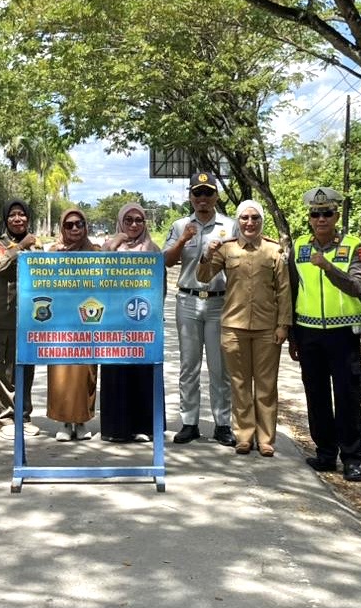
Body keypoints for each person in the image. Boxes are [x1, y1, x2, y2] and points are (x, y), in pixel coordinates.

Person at [288, 187, 361, 481]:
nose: (320, 218)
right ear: (309, 218)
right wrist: (292, 335)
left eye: (326, 213)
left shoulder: (354, 246)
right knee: (316, 395)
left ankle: (351, 458)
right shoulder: (299, 247)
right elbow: (293, 291)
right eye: (315, 213)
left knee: (348, 396)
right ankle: (325, 452)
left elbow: (358, 287)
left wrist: (328, 266)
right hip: (309, 333)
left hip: (343, 334)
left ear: (336, 216)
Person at [198, 200, 290, 456]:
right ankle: (244, 435)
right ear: (238, 222)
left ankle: (266, 438)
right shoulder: (227, 250)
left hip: (266, 328)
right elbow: (203, 277)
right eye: (245, 218)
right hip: (234, 327)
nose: (250, 223)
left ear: (261, 221)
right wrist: (207, 253)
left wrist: (284, 325)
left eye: (255, 218)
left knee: (266, 385)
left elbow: (284, 290)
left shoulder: (273, 251)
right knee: (238, 384)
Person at [163, 172, 237, 446]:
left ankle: (222, 424)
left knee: (220, 369)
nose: (203, 199)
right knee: (189, 366)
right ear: (190, 197)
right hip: (188, 301)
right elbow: (167, 261)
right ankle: (190, 422)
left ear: (217, 196)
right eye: (198, 193)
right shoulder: (180, 224)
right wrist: (183, 239)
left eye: (208, 193)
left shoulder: (230, 226)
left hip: (220, 301)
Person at [99, 202, 163, 443]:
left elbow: (161, 284)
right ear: (120, 222)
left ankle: (144, 426)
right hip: (114, 320)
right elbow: (97, 269)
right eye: (129, 220)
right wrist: (115, 241)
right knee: (116, 371)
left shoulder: (152, 249)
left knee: (143, 371)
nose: (134, 225)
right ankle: (117, 429)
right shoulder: (110, 246)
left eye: (139, 220)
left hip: (142, 320)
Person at [47, 208, 100, 441]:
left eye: (79, 224)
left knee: (85, 372)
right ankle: (64, 422)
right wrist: (55, 260)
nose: (75, 229)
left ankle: (81, 421)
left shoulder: (96, 252)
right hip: (60, 321)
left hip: (89, 320)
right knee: (61, 372)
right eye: (69, 225)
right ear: (62, 228)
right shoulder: (52, 253)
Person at [0, 200, 40, 440]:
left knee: (26, 368)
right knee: (4, 370)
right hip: (4, 317)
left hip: (30, 318)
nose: (18, 219)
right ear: (5, 219)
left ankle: (24, 416)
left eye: (22, 215)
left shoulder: (35, 246)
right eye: (13, 215)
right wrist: (19, 246)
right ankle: (4, 420)